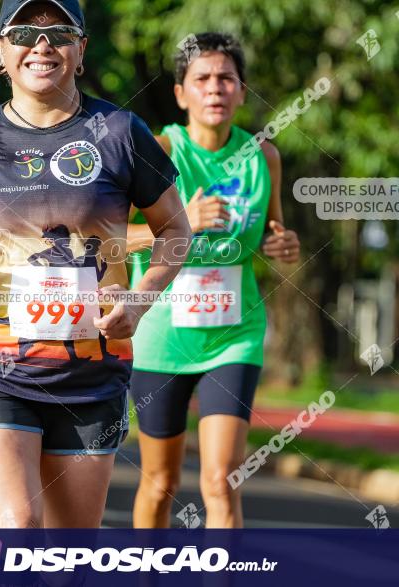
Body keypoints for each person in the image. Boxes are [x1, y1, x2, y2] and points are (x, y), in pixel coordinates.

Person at [0, 0, 191, 528]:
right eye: (23, 34)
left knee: (68, 557)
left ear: (81, 51)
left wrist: (142, 300)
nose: (42, 45)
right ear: (0, 52)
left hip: (92, 372)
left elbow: (176, 231)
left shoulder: (123, 133)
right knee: (18, 532)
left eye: (60, 33)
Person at [127, 33, 301, 528]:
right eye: (201, 79)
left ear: (242, 91)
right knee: (160, 485)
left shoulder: (264, 157)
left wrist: (282, 246)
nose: (215, 88)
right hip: (162, 337)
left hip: (234, 337)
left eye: (226, 78)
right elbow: (113, 237)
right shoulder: (157, 150)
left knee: (220, 481)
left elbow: (275, 231)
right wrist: (182, 220)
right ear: (181, 94)